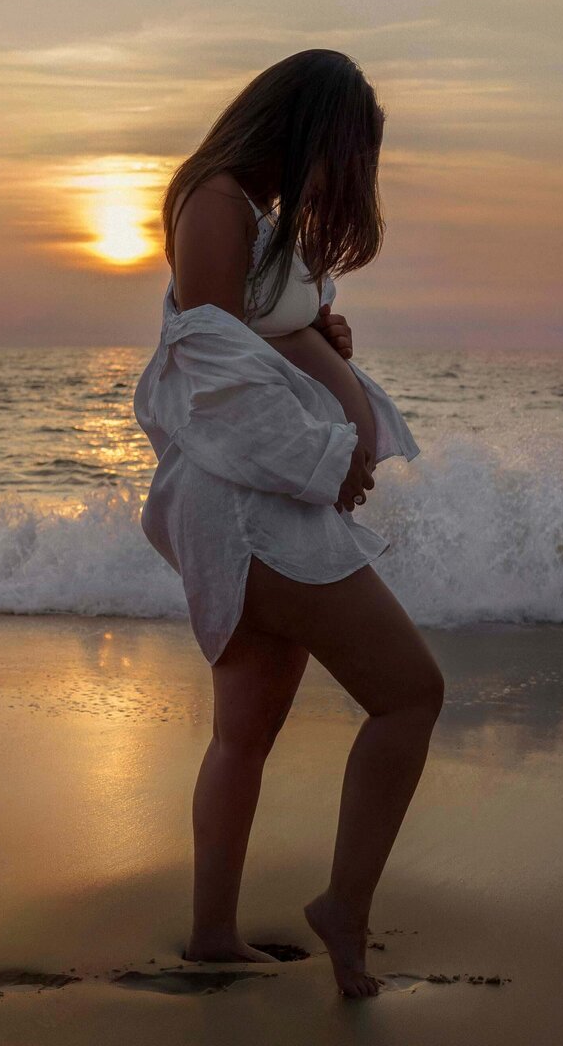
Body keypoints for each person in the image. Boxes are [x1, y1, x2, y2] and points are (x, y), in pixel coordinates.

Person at [133, 49, 445, 999]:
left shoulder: (257, 219)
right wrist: (328, 453)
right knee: (410, 694)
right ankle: (343, 909)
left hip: (267, 505)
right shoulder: (217, 203)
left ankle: (213, 934)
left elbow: (262, 337)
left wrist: (326, 338)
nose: (344, 176)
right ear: (303, 127)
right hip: (254, 507)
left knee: (244, 735)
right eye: (342, 152)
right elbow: (217, 376)